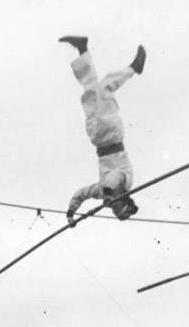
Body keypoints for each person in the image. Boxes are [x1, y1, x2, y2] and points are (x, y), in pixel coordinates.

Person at [59, 35, 146, 225]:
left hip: (97, 136)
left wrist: (71, 213)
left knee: (90, 90)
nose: (113, 208)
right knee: (105, 87)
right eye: (118, 206)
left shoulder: (103, 192)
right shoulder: (126, 181)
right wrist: (108, 194)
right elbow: (114, 178)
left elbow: (82, 193)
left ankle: (82, 49)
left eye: (114, 211)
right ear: (124, 199)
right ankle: (133, 69)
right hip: (111, 132)